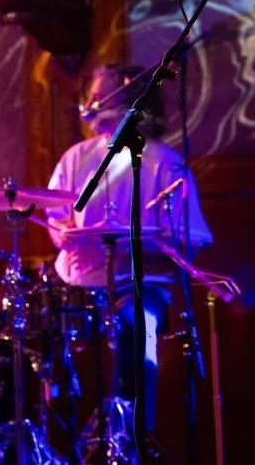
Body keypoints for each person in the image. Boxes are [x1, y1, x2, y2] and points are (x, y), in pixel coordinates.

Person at [45, 63, 213, 438]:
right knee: (26, 327)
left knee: (136, 323)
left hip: (141, 284)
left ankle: (133, 433)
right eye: (89, 96)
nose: (89, 104)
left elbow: (193, 240)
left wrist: (125, 246)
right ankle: (56, 437)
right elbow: (55, 216)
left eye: (99, 96)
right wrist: (63, 233)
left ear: (130, 101)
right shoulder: (75, 158)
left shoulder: (165, 163)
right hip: (78, 283)